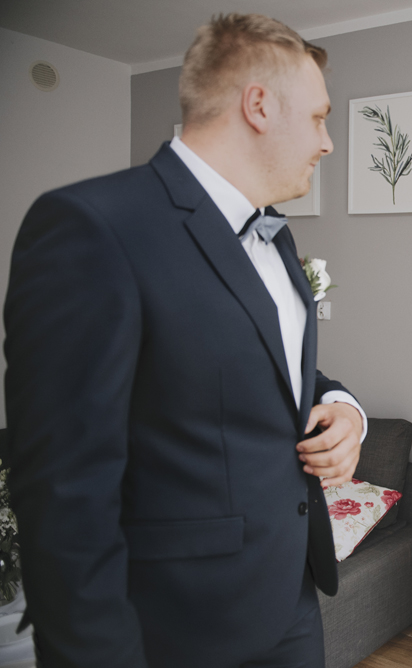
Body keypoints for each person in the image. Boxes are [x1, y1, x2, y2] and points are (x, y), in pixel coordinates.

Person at [4, 14, 365, 668]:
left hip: (291, 602)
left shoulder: (276, 234)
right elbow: (64, 500)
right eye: (319, 119)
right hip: (177, 625)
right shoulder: (93, 227)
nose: (328, 142)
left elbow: (269, 372)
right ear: (259, 105)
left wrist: (345, 409)